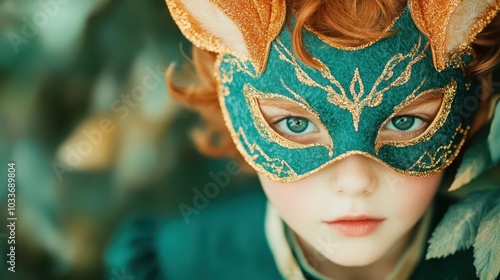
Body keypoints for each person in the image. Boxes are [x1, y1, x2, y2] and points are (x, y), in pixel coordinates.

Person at [106, 0, 500, 279]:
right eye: (295, 125)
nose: (355, 182)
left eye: (407, 121)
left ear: (473, 102)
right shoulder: (180, 266)